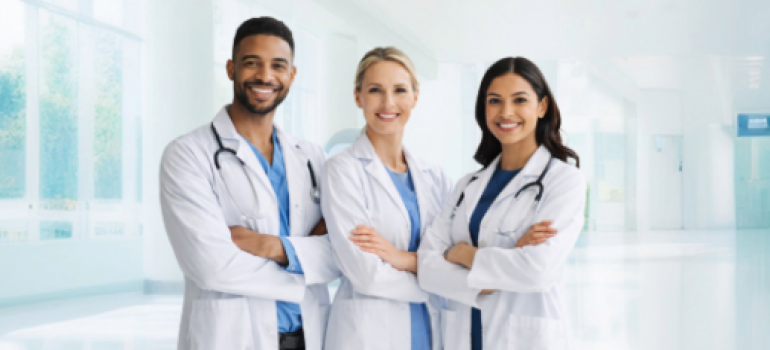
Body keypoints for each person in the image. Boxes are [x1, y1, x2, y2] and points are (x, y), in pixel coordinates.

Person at [160, 17, 340, 350]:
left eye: (278, 66)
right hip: (234, 337)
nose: (265, 76)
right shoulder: (188, 154)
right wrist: (304, 261)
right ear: (231, 69)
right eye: (251, 63)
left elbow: (341, 251)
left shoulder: (312, 157)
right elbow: (213, 266)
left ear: (292, 75)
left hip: (311, 335)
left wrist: (273, 246)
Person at [418, 56, 586, 350]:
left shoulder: (563, 181)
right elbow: (428, 269)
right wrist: (511, 256)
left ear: (542, 106)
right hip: (463, 337)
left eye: (519, 100)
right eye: (494, 101)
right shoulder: (466, 185)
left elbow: (537, 271)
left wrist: (463, 254)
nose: (506, 112)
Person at [321, 47, 451, 350]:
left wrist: (403, 259)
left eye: (400, 90)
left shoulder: (435, 177)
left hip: (431, 333)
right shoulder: (342, 170)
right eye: (375, 90)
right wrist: (437, 280)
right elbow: (366, 274)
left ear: (415, 97)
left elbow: (455, 254)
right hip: (368, 334)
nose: (388, 102)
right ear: (358, 97)